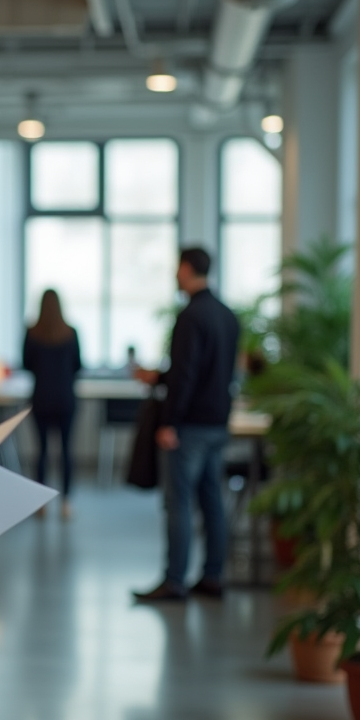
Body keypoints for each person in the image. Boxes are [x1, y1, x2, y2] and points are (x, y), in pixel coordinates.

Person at [133, 247, 240, 602]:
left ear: (187, 268)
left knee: (177, 502)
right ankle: (213, 576)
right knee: (212, 500)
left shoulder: (191, 316)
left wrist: (169, 422)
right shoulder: (227, 316)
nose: (175, 275)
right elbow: (214, 372)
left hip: (189, 425)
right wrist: (161, 376)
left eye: (177, 268)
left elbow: (186, 374)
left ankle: (175, 580)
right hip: (217, 423)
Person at [22, 290, 82, 521]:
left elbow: (26, 364)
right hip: (66, 398)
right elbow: (78, 365)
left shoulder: (32, 333)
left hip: (41, 398)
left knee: (42, 451)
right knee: (67, 451)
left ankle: (41, 504)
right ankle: (66, 501)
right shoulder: (71, 332)